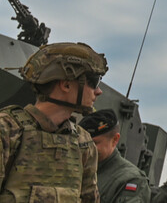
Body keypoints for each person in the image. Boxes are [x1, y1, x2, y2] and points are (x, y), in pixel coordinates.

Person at [0, 42, 107, 203]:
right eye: (93, 81)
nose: (98, 91)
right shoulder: (7, 130)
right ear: (65, 84)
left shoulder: (83, 143)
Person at [80, 109, 152, 203]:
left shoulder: (131, 180)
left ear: (115, 140)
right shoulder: (73, 167)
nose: (86, 149)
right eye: (82, 143)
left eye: (94, 143)